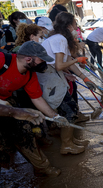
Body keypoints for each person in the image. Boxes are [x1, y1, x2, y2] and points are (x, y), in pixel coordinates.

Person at [0, 41, 70, 177]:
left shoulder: (30, 74)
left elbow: (37, 98)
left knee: (25, 131)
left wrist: (55, 116)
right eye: (41, 60)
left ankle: (42, 167)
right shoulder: (1, 60)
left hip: (6, 101)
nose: (43, 64)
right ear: (28, 59)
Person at [38, 12, 97, 155]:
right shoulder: (59, 39)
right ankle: (66, 145)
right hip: (50, 77)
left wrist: (85, 78)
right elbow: (60, 65)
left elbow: (68, 62)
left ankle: (70, 140)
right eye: (75, 24)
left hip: (54, 76)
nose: (76, 28)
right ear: (70, 25)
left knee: (69, 108)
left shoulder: (58, 38)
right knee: (69, 111)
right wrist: (78, 60)